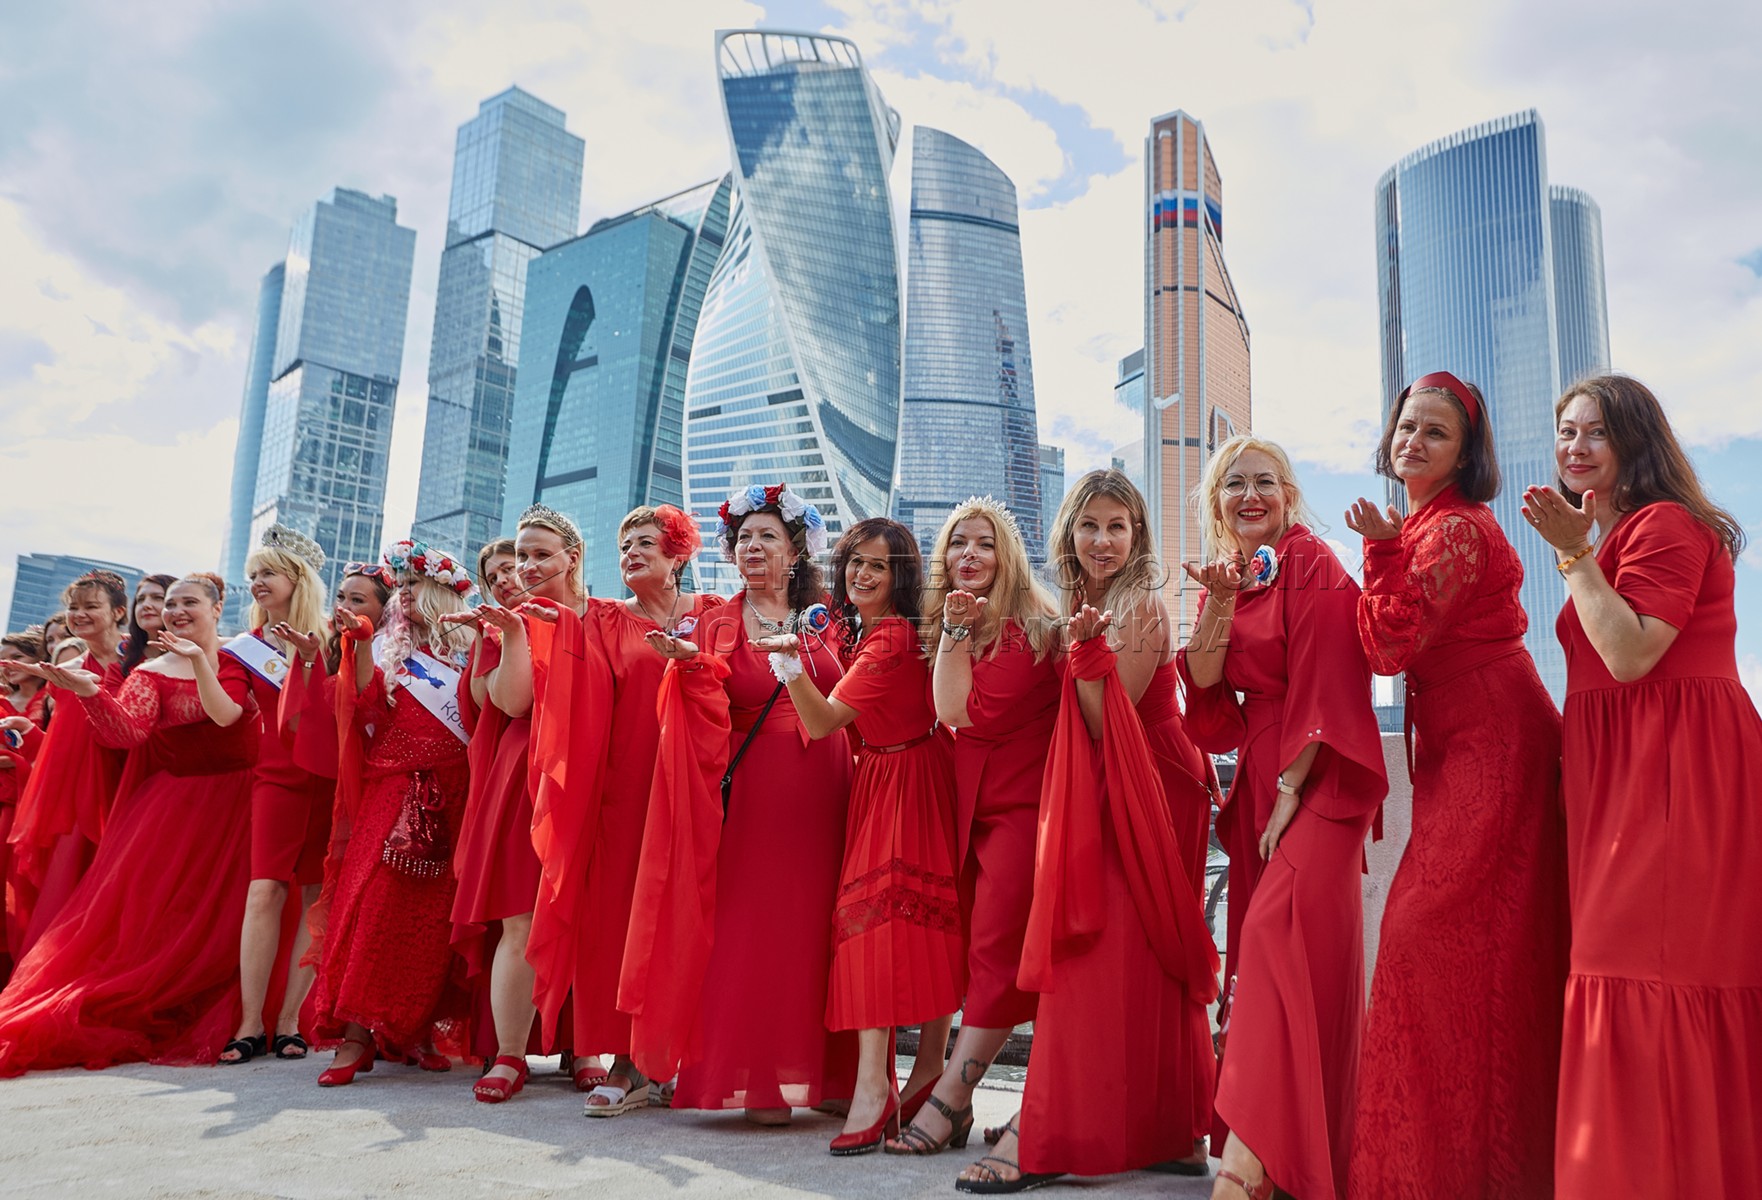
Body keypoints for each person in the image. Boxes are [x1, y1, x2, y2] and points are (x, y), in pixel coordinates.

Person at [1520, 374, 1762, 1197]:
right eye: (1565, 432)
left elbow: (1630, 655)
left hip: (1675, 772)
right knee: (1635, 971)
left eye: (1595, 431)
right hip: (1619, 774)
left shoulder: (1666, 524)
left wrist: (1574, 556)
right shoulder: (1614, 530)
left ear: (1636, 441)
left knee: (1634, 969)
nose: (1575, 446)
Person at [964, 471, 1221, 1192]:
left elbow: (1109, 722)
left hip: (1150, 782)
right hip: (1108, 781)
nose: (1102, 541)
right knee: (1131, 956)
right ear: (1069, 533)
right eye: (1089, 525)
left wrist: (1082, 657)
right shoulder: (1083, 602)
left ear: (1138, 535)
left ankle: (1048, 1131)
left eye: (1117, 526)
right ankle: (1171, 1132)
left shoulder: (1137, 602)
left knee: (1097, 954)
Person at [1344, 373, 1568, 1196]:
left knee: (1426, 944)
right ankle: (1468, 1168)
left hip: (1498, 750)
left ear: (1467, 454)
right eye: (1407, 426)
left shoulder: (1460, 530)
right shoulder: (1425, 525)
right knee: (1484, 963)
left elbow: (1389, 646)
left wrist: (1378, 552)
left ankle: (1447, 1171)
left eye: (1435, 432)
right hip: (1458, 753)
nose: (1413, 441)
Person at [1179, 436, 1388, 1200]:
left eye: (1265, 481)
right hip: (1259, 780)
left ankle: (1247, 1165)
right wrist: (1220, 602)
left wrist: (1294, 786)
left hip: (1318, 774)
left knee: (1278, 941)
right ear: (1217, 503)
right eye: (1234, 484)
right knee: (1272, 963)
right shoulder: (1229, 578)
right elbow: (1206, 685)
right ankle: (1283, 1160)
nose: (1251, 495)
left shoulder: (1311, 561)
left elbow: (1333, 677)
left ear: (1289, 495)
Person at [623, 482, 857, 1123]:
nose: (752, 546)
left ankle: (830, 1074)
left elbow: (858, 695)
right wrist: (689, 666)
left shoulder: (832, 619)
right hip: (755, 790)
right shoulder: (716, 621)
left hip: (829, 786)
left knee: (824, 926)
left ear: (796, 551)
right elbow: (705, 708)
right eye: (743, 537)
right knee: (755, 929)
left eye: (768, 537)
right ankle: (758, 1079)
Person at [756, 518, 962, 1155]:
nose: (863, 574)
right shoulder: (870, 632)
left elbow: (822, 724)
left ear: (901, 577)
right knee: (923, 923)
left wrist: (788, 666)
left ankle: (876, 1087)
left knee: (876, 926)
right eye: (855, 562)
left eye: (879, 566)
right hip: (901, 770)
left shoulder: (888, 638)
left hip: (903, 780)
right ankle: (929, 1076)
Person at [0, 575, 259, 1075]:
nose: (176, 611)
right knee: (169, 923)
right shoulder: (151, 670)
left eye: (188, 602)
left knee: (239, 916)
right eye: (170, 604)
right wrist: (90, 694)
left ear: (217, 606)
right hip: (180, 809)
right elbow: (126, 734)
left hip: (247, 800)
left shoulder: (244, 655)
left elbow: (232, 715)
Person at [520, 503, 724, 1115]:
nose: (631, 553)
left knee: (694, 921)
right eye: (625, 544)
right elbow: (570, 680)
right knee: (619, 925)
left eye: (646, 543)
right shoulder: (605, 619)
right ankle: (629, 1063)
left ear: (678, 553)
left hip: (702, 792)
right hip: (624, 796)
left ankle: (682, 1058)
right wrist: (540, 626)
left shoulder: (716, 615)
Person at [888, 496, 1060, 1160]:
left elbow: (956, 711)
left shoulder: (1027, 627)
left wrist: (956, 634)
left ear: (1008, 556)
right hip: (974, 813)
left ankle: (952, 1099)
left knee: (995, 954)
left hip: (1023, 812)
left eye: (985, 543)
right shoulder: (961, 623)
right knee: (980, 951)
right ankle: (1014, 1098)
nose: (970, 554)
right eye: (958, 543)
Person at [305, 539, 477, 1087]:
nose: (403, 594)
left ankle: (414, 1030)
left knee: (434, 918)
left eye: (412, 585)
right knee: (373, 906)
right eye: (400, 586)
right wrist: (358, 646)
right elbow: (364, 701)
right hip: (393, 788)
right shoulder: (385, 647)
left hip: (456, 791)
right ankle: (355, 1037)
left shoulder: (474, 648)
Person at [446, 517, 580, 1103]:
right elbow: (509, 700)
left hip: (588, 767)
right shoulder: (502, 626)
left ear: (572, 556)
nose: (523, 569)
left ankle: (586, 1046)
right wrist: (511, 634)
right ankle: (509, 1053)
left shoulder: (600, 616)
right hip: (523, 770)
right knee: (519, 916)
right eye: (517, 559)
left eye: (536, 555)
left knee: (586, 913)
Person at [219, 527, 333, 1065]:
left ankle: (290, 1021)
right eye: (252, 576)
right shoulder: (243, 649)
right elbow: (227, 711)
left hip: (330, 780)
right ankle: (250, 1023)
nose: (256, 583)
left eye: (267, 572)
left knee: (317, 898)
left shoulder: (337, 639)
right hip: (276, 778)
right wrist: (198, 664)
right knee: (264, 891)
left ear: (297, 578)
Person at [4, 571, 131, 955]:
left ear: (119, 611)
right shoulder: (66, 671)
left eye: (91, 606)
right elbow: (65, 743)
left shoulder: (141, 661)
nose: (79, 614)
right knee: (64, 888)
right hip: (77, 797)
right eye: (74, 607)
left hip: (130, 785)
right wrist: (29, 731)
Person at [120, 574, 178, 675]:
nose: (146, 605)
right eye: (140, 599)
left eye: (158, 598)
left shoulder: (196, 656)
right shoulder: (121, 659)